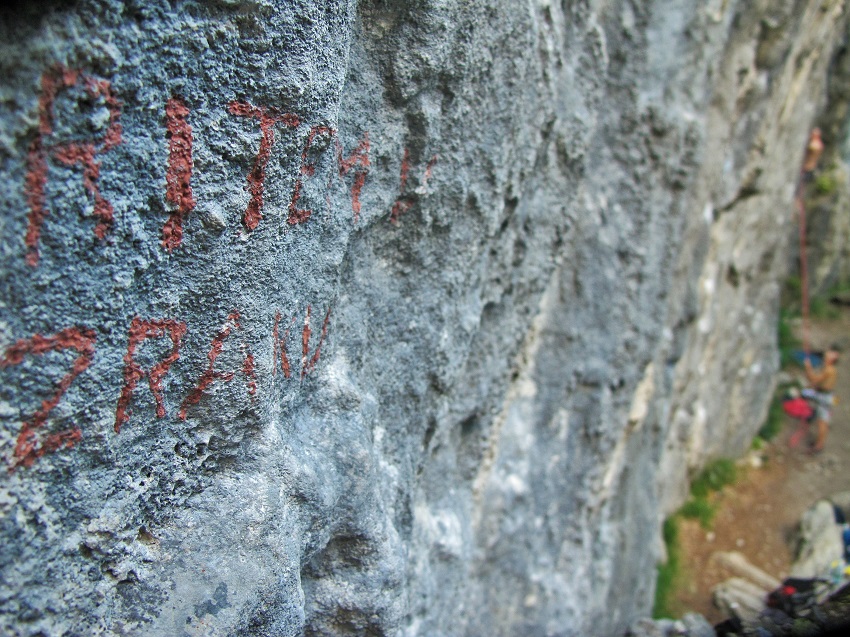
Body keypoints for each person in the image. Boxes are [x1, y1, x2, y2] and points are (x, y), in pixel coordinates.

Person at [803, 344, 839, 453]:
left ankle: (818, 446)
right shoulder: (828, 368)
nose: (827, 353)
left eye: (830, 353)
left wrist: (808, 368)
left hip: (825, 397)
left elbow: (813, 379)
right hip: (826, 395)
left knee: (822, 423)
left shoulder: (829, 370)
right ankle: (819, 443)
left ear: (833, 358)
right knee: (822, 421)